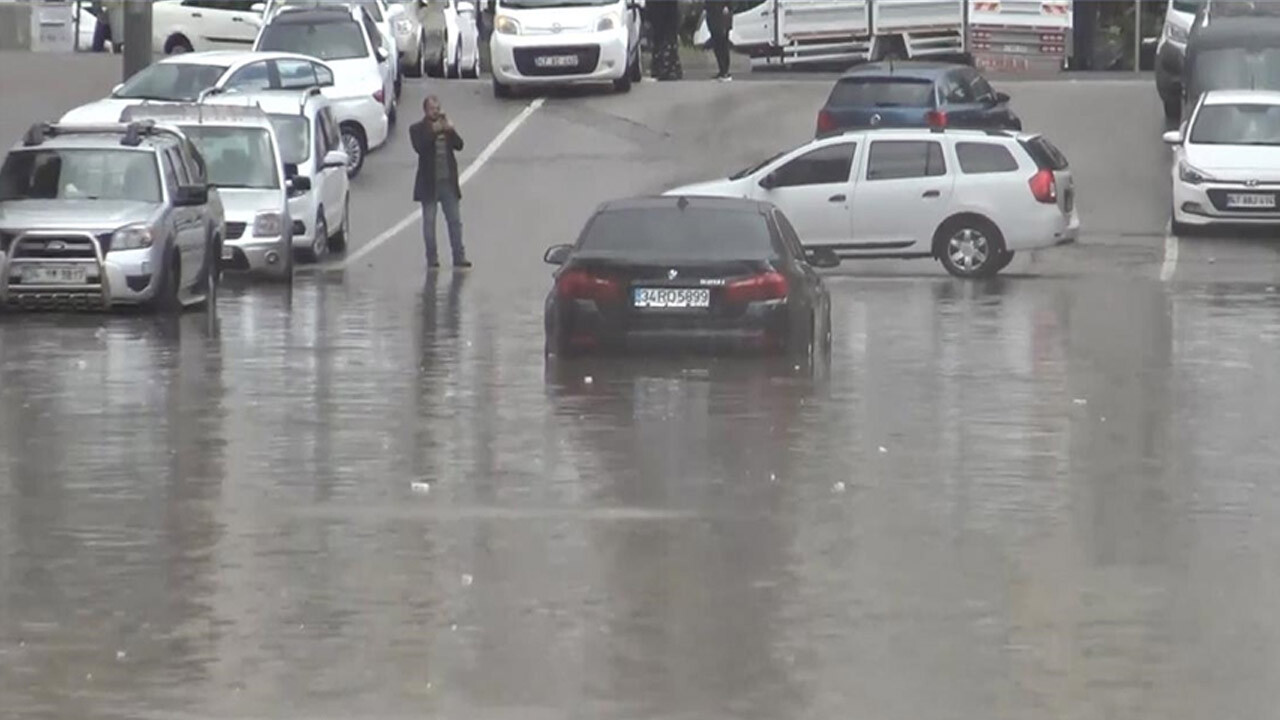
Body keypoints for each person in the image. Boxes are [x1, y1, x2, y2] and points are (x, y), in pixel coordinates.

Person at [410, 96, 470, 270]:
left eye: (438, 108)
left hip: (448, 183)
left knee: (455, 221)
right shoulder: (417, 129)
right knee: (429, 223)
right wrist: (435, 130)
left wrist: (451, 130)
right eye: (432, 109)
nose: (436, 112)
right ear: (426, 110)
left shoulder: (446, 129)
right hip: (429, 184)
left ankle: (459, 256)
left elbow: (459, 145)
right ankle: (432, 258)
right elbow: (420, 147)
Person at [705, 0, 734, 81]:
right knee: (717, 44)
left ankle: (725, 71)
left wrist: (727, 6)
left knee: (722, 44)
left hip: (721, 15)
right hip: (713, 14)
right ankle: (722, 70)